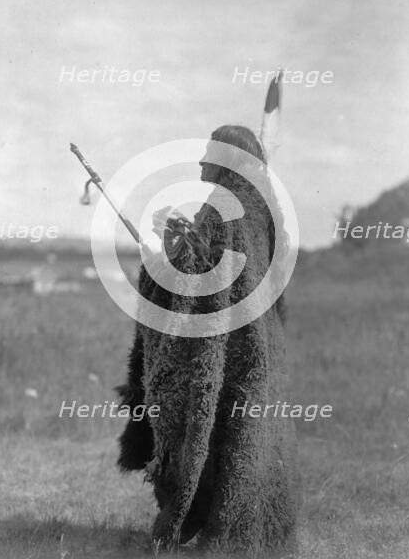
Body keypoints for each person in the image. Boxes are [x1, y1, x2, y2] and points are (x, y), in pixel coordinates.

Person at [117, 125, 299, 555]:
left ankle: (208, 525)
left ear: (227, 158)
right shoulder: (263, 210)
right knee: (243, 435)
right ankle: (242, 528)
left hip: (225, 348)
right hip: (256, 348)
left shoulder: (223, 208)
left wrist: (162, 254)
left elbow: (201, 278)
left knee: (210, 428)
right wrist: (182, 241)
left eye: (207, 153)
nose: (200, 162)